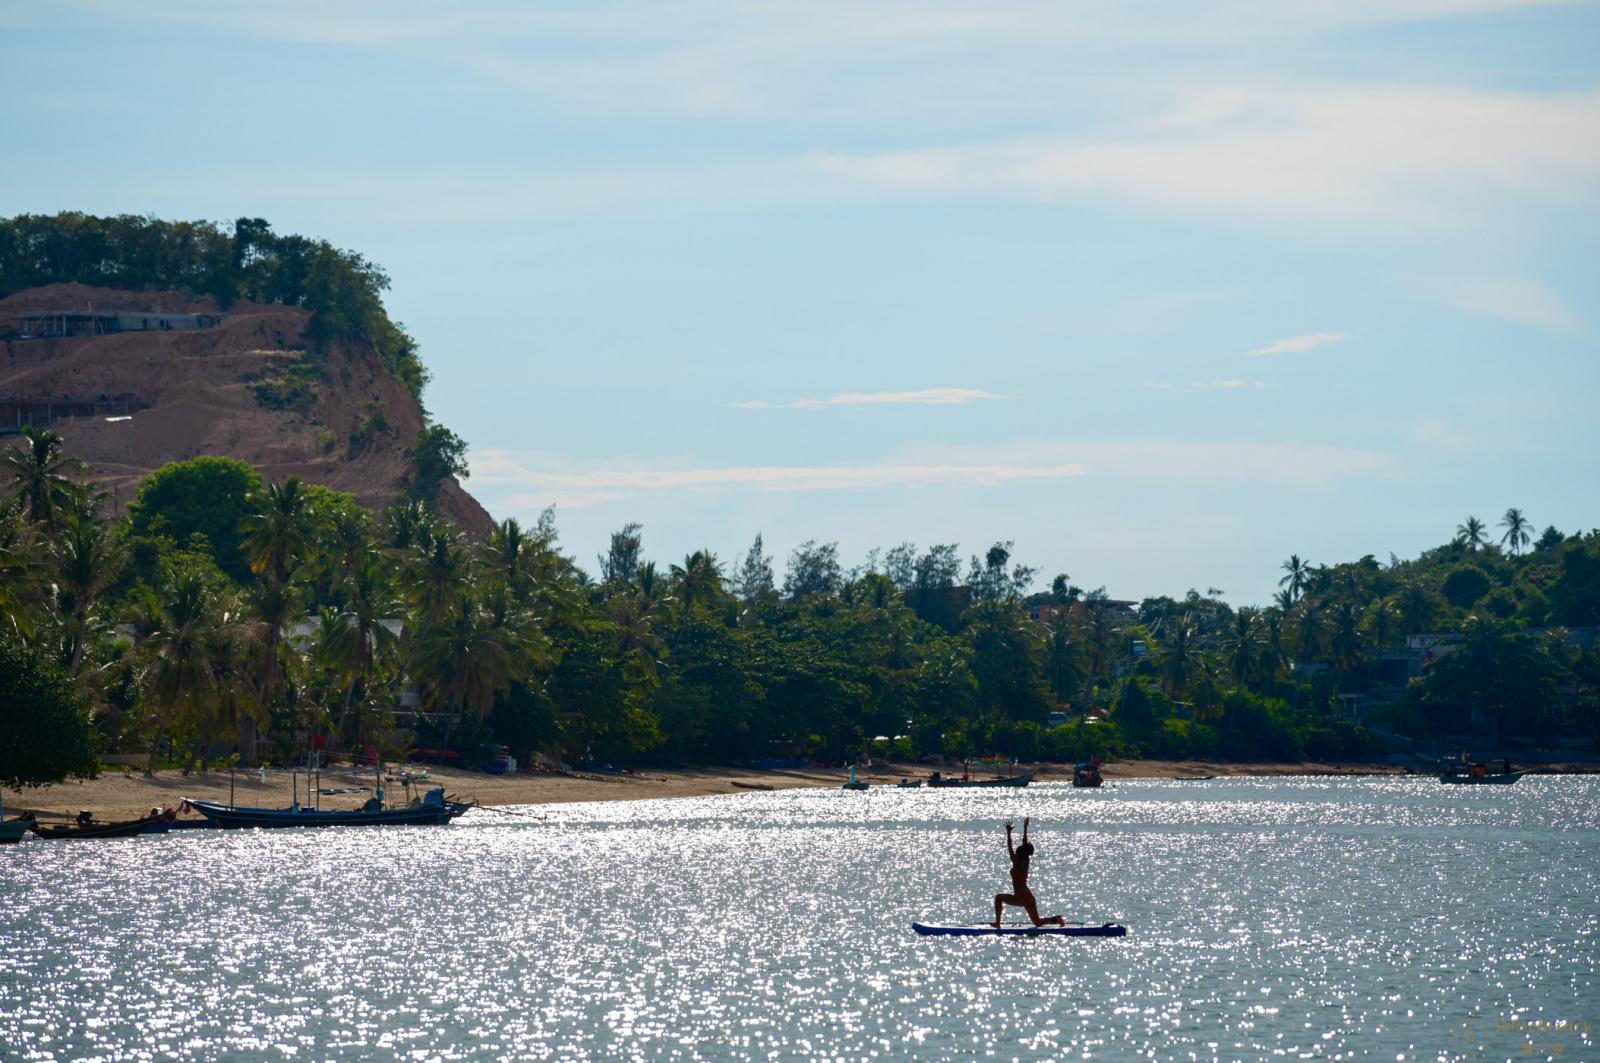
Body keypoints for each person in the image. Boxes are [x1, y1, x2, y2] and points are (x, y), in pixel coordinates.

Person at [992, 817, 1065, 928]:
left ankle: (997, 923)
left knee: (998, 898)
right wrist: (1025, 828)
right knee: (1037, 922)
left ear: (1020, 852)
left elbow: (1010, 848)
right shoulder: (1025, 861)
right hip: (1028, 896)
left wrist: (1008, 833)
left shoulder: (1016, 862)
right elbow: (1024, 844)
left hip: (1020, 896)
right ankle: (1057, 919)